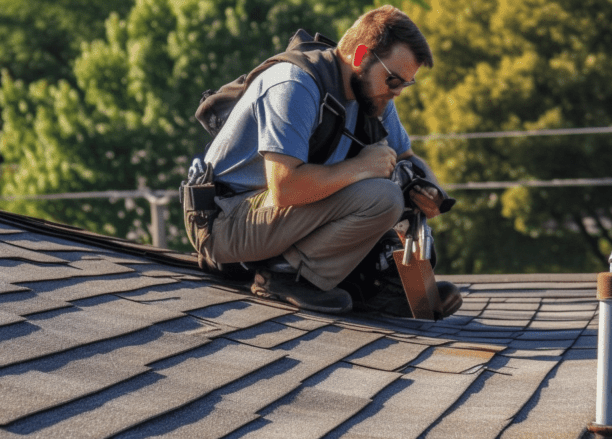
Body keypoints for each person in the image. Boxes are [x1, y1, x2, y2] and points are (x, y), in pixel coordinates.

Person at [187, 5, 461, 317]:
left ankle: (375, 288)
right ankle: (285, 275)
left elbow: (408, 158)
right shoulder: (295, 83)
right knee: (383, 196)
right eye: (394, 80)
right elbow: (285, 189)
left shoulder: (373, 94)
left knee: (396, 193)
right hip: (225, 223)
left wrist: (429, 191)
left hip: (277, 219)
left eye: (405, 84)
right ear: (360, 58)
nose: (397, 92)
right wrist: (361, 168)